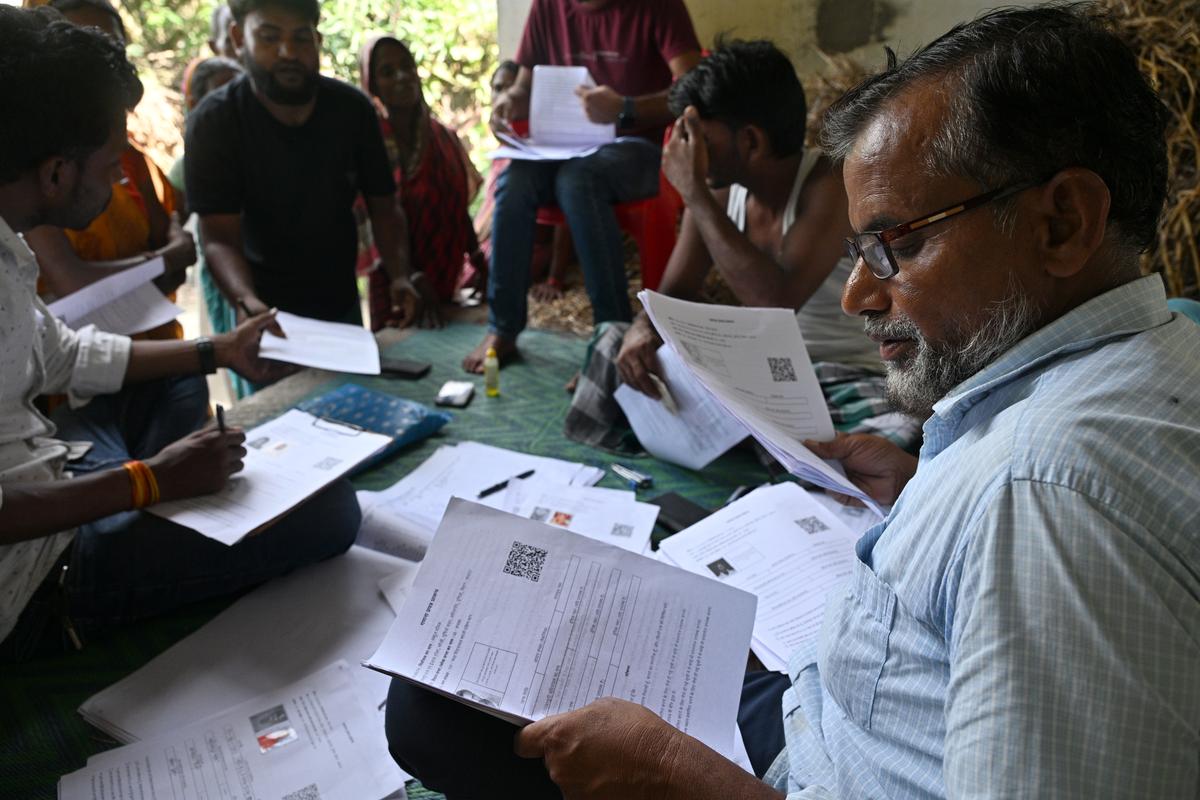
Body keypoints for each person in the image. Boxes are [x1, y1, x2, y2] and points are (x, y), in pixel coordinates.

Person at [385, 5, 1200, 797]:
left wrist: (670, 774)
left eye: (897, 244)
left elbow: (1038, 525)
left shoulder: (1040, 500)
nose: (856, 295)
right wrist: (922, 490)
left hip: (811, 763)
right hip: (826, 697)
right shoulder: (1155, 356)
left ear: (1062, 223)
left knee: (434, 709)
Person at [0, 6, 359, 660]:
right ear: (55, 173)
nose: (120, 174)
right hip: (37, 576)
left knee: (167, 385)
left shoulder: (9, 241)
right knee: (332, 510)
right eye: (111, 162)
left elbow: (63, 353)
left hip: (58, 472)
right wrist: (148, 481)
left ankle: (145, 506)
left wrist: (215, 350)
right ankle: (131, 532)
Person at [566, 40, 919, 454]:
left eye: (699, 136)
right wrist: (644, 330)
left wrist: (694, 194)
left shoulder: (828, 184)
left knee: (896, 430)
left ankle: (755, 446)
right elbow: (674, 293)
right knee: (616, 341)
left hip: (838, 373)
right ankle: (750, 443)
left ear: (751, 141)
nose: (685, 149)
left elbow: (776, 301)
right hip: (757, 371)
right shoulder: (719, 193)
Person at [462, 0, 703, 373]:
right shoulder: (547, 6)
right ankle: (503, 327)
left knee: (578, 180)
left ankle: (611, 335)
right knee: (515, 180)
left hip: (641, 148)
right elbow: (524, 86)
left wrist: (626, 108)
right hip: (564, 147)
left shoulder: (658, 6)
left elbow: (693, 90)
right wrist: (509, 102)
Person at [185, 0, 436, 351]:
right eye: (270, 37)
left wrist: (399, 276)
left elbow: (385, 206)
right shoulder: (214, 122)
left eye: (301, 38)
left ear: (317, 40)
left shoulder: (353, 111)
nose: (288, 52)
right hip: (262, 312)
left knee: (349, 383)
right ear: (239, 38)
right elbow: (218, 238)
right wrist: (247, 302)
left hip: (341, 304)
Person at [26, 0, 194, 342]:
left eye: (114, 48)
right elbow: (71, 283)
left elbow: (179, 267)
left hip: (160, 345)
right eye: (84, 48)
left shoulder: (132, 159)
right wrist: (162, 261)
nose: (105, 63)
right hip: (78, 365)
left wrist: (161, 264)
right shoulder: (26, 170)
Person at [356, 35, 484, 330]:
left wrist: (477, 256)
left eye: (407, 66)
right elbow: (372, 224)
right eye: (387, 72)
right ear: (372, 85)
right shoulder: (371, 148)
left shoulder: (443, 138)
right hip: (396, 289)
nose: (402, 77)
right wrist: (407, 274)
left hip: (445, 278)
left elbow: (458, 206)